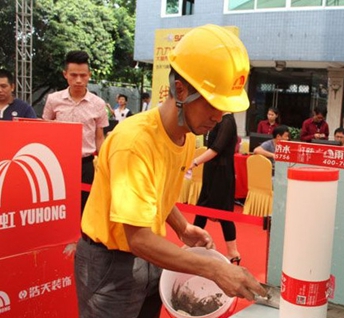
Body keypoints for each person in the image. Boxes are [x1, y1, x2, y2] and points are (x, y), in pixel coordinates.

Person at [74, 24, 266, 318]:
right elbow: (136, 237)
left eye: (225, 109)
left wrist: (182, 227)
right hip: (111, 263)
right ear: (181, 90)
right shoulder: (134, 143)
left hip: (152, 255)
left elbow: (156, 194)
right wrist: (215, 268)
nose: (218, 117)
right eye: (212, 104)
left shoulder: (186, 137)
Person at [42, 51, 108, 214]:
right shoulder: (53, 100)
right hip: (57, 162)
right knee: (57, 205)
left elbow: (99, 138)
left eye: (83, 75)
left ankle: (82, 238)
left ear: (89, 75)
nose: (78, 80)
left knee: (85, 207)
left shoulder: (98, 104)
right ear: (65, 74)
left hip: (85, 164)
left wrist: (106, 164)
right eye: (73, 75)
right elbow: (44, 129)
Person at [191, 113, 241, 264]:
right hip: (212, 170)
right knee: (202, 209)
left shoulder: (228, 121)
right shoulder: (218, 119)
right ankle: (193, 243)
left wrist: (195, 162)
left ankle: (233, 252)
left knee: (224, 213)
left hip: (222, 173)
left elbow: (216, 148)